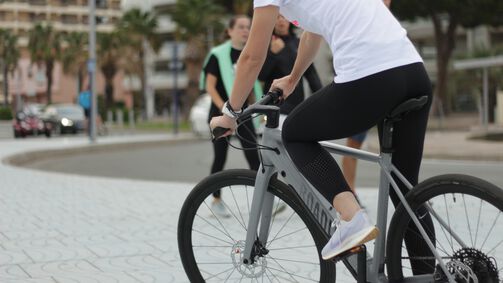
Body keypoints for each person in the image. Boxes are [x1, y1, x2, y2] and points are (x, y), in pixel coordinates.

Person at [210, 0, 434, 271]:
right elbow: (312, 33)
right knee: (406, 190)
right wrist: (292, 78)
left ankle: (352, 218)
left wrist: (230, 113)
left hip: (370, 75)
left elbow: (251, 57)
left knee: (294, 132)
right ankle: (432, 276)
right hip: (413, 70)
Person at [201, 15, 262, 217]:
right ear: (229, 30)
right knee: (220, 156)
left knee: (254, 155)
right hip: (220, 113)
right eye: (241, 27)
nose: (245, 30)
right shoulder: (217, 54)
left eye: (248, 27)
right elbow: (210, 86)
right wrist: (225, 109)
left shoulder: (250, 53)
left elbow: (252, 86)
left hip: (243, 113)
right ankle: (216, 200)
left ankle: (264, 198)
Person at [341, 0, 392, 193]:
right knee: (353, 145)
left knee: (393, 150)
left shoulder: (381, 22)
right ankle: (350, 191)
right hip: (363, 86)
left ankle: (411, 194)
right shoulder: (359, 17)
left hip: (386, 84)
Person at [259, 15, 322, 117]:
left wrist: (321, 100)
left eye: (284, 17)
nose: (281, 20)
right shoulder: (266, 43)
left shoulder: (299, 42)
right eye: (277, 17)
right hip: (273, 103)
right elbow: (261, 76)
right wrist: (272, 54)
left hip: (296, 104)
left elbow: (311, 74)